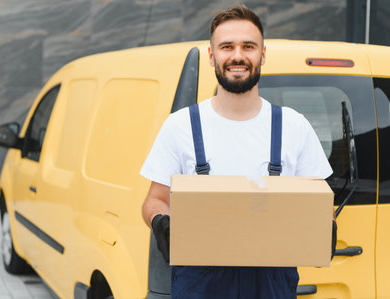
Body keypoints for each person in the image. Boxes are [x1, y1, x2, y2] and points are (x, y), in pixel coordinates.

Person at [140, 5, 334, 299]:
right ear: (211, 55)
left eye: (248, 46)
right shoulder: (180, 126)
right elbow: (154, 200)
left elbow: (322, 204)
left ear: (263, 54)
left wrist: (325, 227)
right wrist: (160, 221)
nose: (238, 56)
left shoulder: (295, 127)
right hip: (201, 282)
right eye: (227, 46)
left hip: (271, 284)